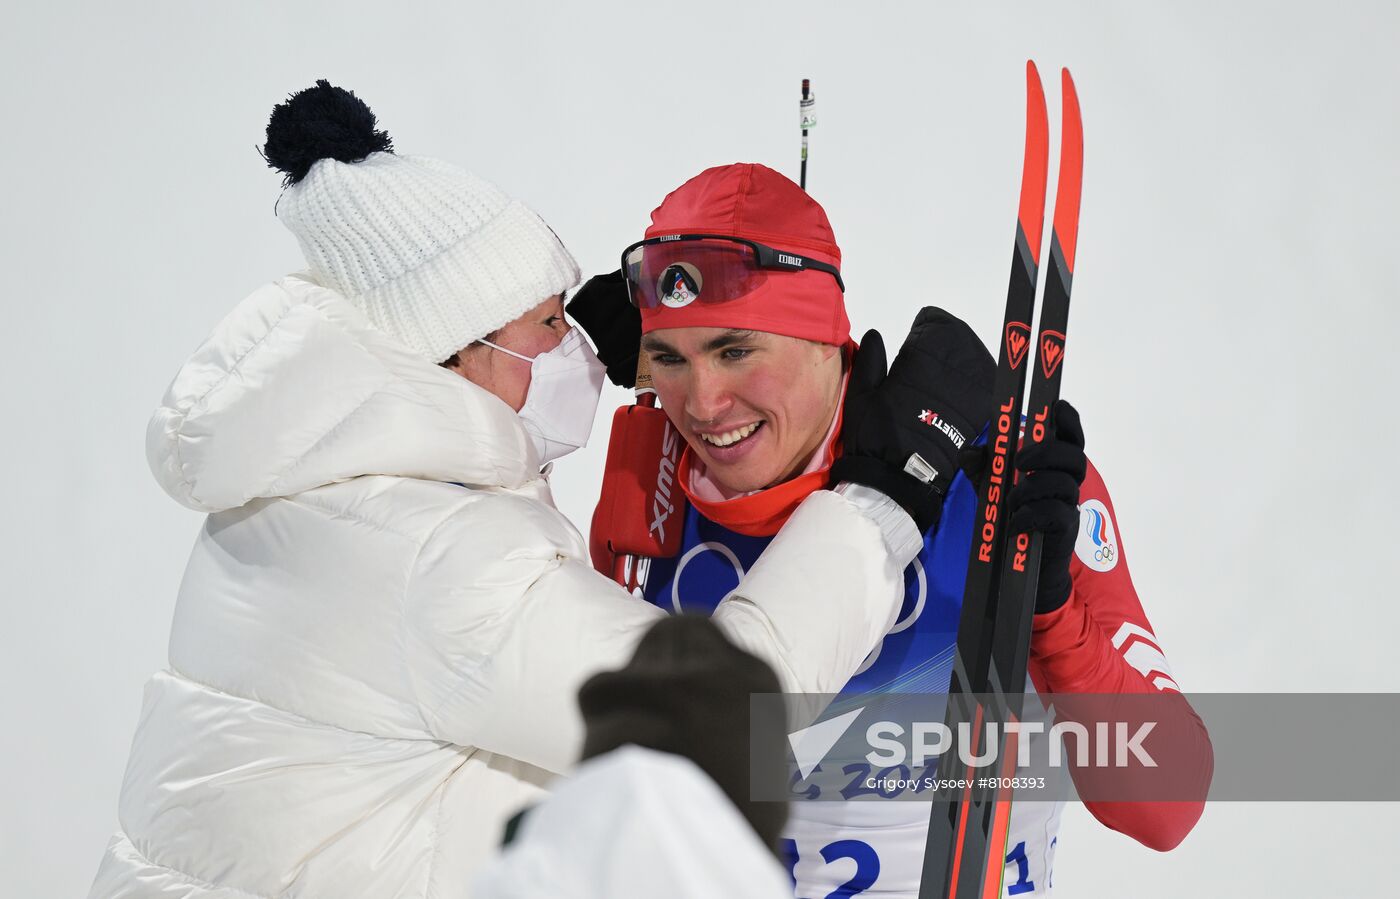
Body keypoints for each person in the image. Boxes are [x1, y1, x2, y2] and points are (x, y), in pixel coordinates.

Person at [87, 84, 982, 899]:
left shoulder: (305, 481)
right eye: (551, 323)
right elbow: (724, 717)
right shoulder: (440, 555)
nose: (580, 351)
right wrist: (882, 498)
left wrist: (673, 326)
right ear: (458, 353)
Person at [582, 162, 1214, 897]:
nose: (705, 401)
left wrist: (1052, 616)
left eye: (735, 350)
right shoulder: (650, 499)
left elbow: (1168, 803)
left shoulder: (994, 479)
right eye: (670, 359)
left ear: (825, 338)